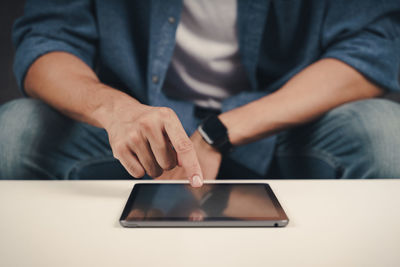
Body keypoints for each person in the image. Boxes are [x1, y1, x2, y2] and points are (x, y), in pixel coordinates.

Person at [1, 0, 400, 185]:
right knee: (15, 135)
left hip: (279, 131)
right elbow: (46, 42)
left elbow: (373, 49)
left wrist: (215, 134)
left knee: (386, 135)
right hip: (138, 140)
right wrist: (116, 111)